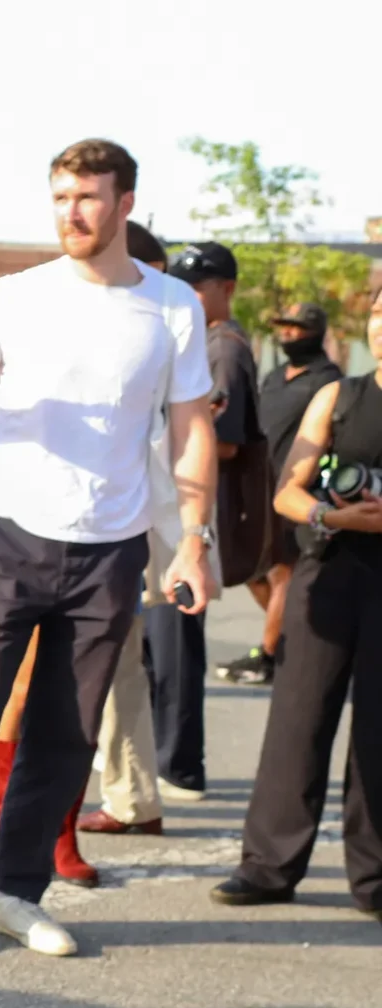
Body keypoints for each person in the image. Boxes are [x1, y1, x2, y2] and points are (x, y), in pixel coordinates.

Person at [0, 139, 217, 966]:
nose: (72, 211)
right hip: (6, 535)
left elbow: (191, 428)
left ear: (125, 202)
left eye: (89, 197)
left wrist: (193, 543)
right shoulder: (14, 295)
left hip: (109, 549)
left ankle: (13, 892)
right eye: (62, 196)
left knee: (66, 733)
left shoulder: (173, 308)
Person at [212, 294, 382, 917]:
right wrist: (332, 514)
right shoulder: (337, 398)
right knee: (298, 721)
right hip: (329, 573)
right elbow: (289, 492)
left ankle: (376, 880)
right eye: (378, 316)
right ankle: (268, 867)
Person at [145, 243, 265, 793]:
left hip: (189, 516)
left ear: (227, 289)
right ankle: (167, 759)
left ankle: (178, 764)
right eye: (185, 283)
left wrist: (171, 434)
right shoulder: (200, 339)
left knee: (174, 645)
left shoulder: (223, 347)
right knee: (158, 644)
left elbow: (225, 443)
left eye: (203, 285)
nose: (192, 294)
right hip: (172, 510)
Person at [84, 221, 181, 836]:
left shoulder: (157, 334)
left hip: (120, 529)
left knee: (113, 668)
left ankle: (130, 797)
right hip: (129, 527)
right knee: (120, 668)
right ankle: (134, 796)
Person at [226, 302, 345, 685]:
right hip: (261, 488)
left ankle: (270, 654)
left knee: (283, 573)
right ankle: (285, 636)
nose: (288, 334)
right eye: (284, 327)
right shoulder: (276, 375)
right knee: (250, 568)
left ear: (315, 332)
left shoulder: (329, 380)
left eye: (297, 328)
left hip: (299, 490)